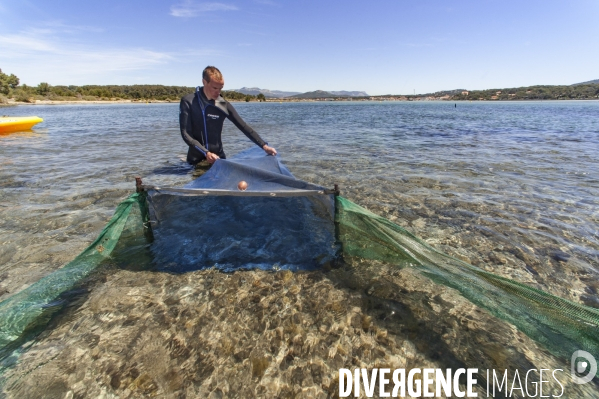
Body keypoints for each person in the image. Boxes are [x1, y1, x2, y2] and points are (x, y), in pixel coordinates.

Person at [179, 66, 277, 166]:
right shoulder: (189, 101)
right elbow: (186, 134)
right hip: (196, 160)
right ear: (204, 82)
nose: (218, 92)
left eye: (220, 88)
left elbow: (243, 126)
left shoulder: (222, 104)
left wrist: (264, 146)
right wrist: (206, 153)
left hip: (218, 158)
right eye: (215, 88)